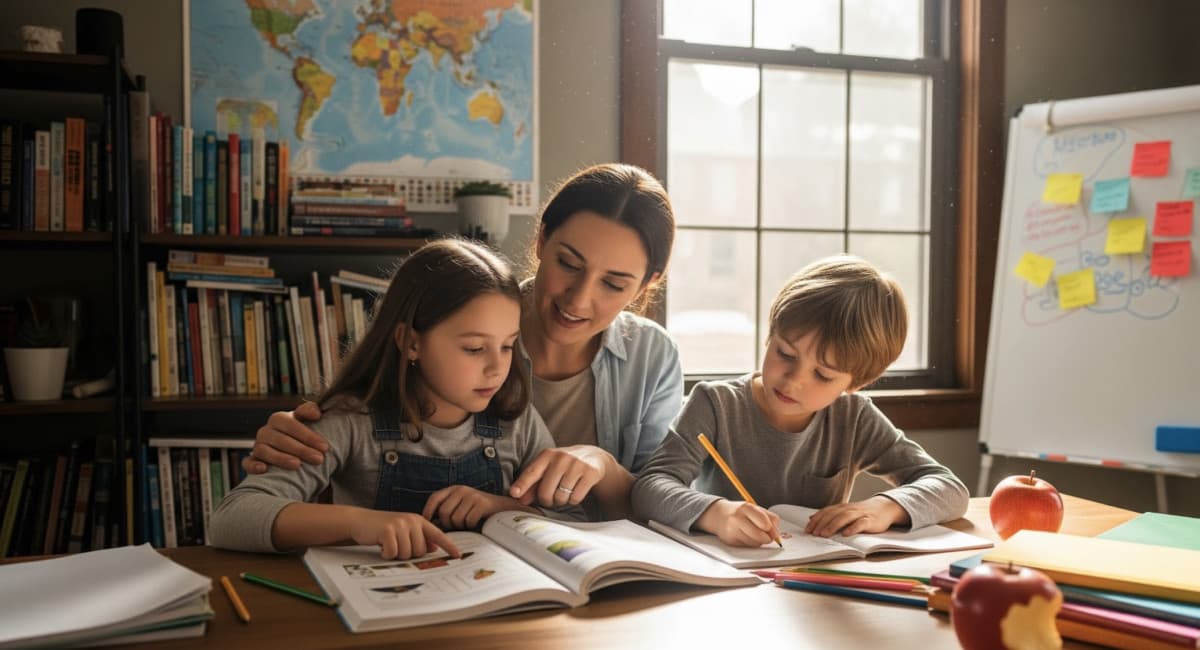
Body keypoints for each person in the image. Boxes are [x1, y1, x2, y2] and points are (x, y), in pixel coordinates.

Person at [239, 163, 681, 520]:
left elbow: (653, 510)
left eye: (614, 283)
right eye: (568, 263)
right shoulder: (459, 319)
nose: (579, 299)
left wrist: (601, 465)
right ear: (543, 239)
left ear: (647, 284)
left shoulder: (653, 356)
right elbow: (262, 501)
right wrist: (295, 439)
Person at [209, 239, 579, 560]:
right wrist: (359, 523)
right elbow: (232, 519)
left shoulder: (516, 420)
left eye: (507, 345)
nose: (497, 367)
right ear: (411, 341)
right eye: (474, 348)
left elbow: (572, 521)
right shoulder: (350, 420)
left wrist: (502, 509)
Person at [630, 255, 969, 547]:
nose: (794, 380)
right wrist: (715, 514)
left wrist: (882, 507)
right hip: (726, 582)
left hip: (813, 583)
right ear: (769, 333)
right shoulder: (715, 404)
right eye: (785, 353)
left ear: (857, 383)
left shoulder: (854, 418)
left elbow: (950, 488)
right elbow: (650, 487)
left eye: (823, 375)